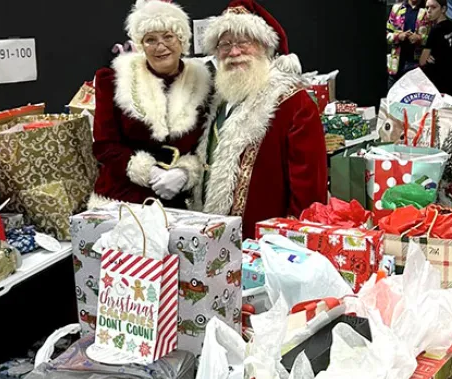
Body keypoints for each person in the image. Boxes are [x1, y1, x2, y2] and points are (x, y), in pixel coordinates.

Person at [194, 0, 328, 238]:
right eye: (225, 44)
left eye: (244, 42)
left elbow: (308, 194)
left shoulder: (294, 104)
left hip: (265, 248)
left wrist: (290, 245)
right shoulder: (217, 103)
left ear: (265, 47)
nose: (234, 52)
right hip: (215, 243)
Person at [92, 0, 211, 207]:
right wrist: (148, 172)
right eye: (150, 40)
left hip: (180, 202)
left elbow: (207, 145)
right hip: (121, 198)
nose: (160, 46)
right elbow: (105, 146)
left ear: (182, 40)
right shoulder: (113, 80)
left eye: (168, 37)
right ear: (140, 45)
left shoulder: (204, 83)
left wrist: (185, 172)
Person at [387, 0, 432, 88]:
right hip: (396, 66)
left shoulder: (427, 11)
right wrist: (398, 36)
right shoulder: (396, 9)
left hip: (417, 68)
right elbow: (386, 34)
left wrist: (420, 38)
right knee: (393, 99)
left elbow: (433, 37)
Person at [420, 0, 452, 95]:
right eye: (427, 7)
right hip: (449, 76)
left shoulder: (436, 30)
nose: (429, 11)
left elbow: (422, 61)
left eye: (433, 7)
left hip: (436, 81)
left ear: (443, 9)